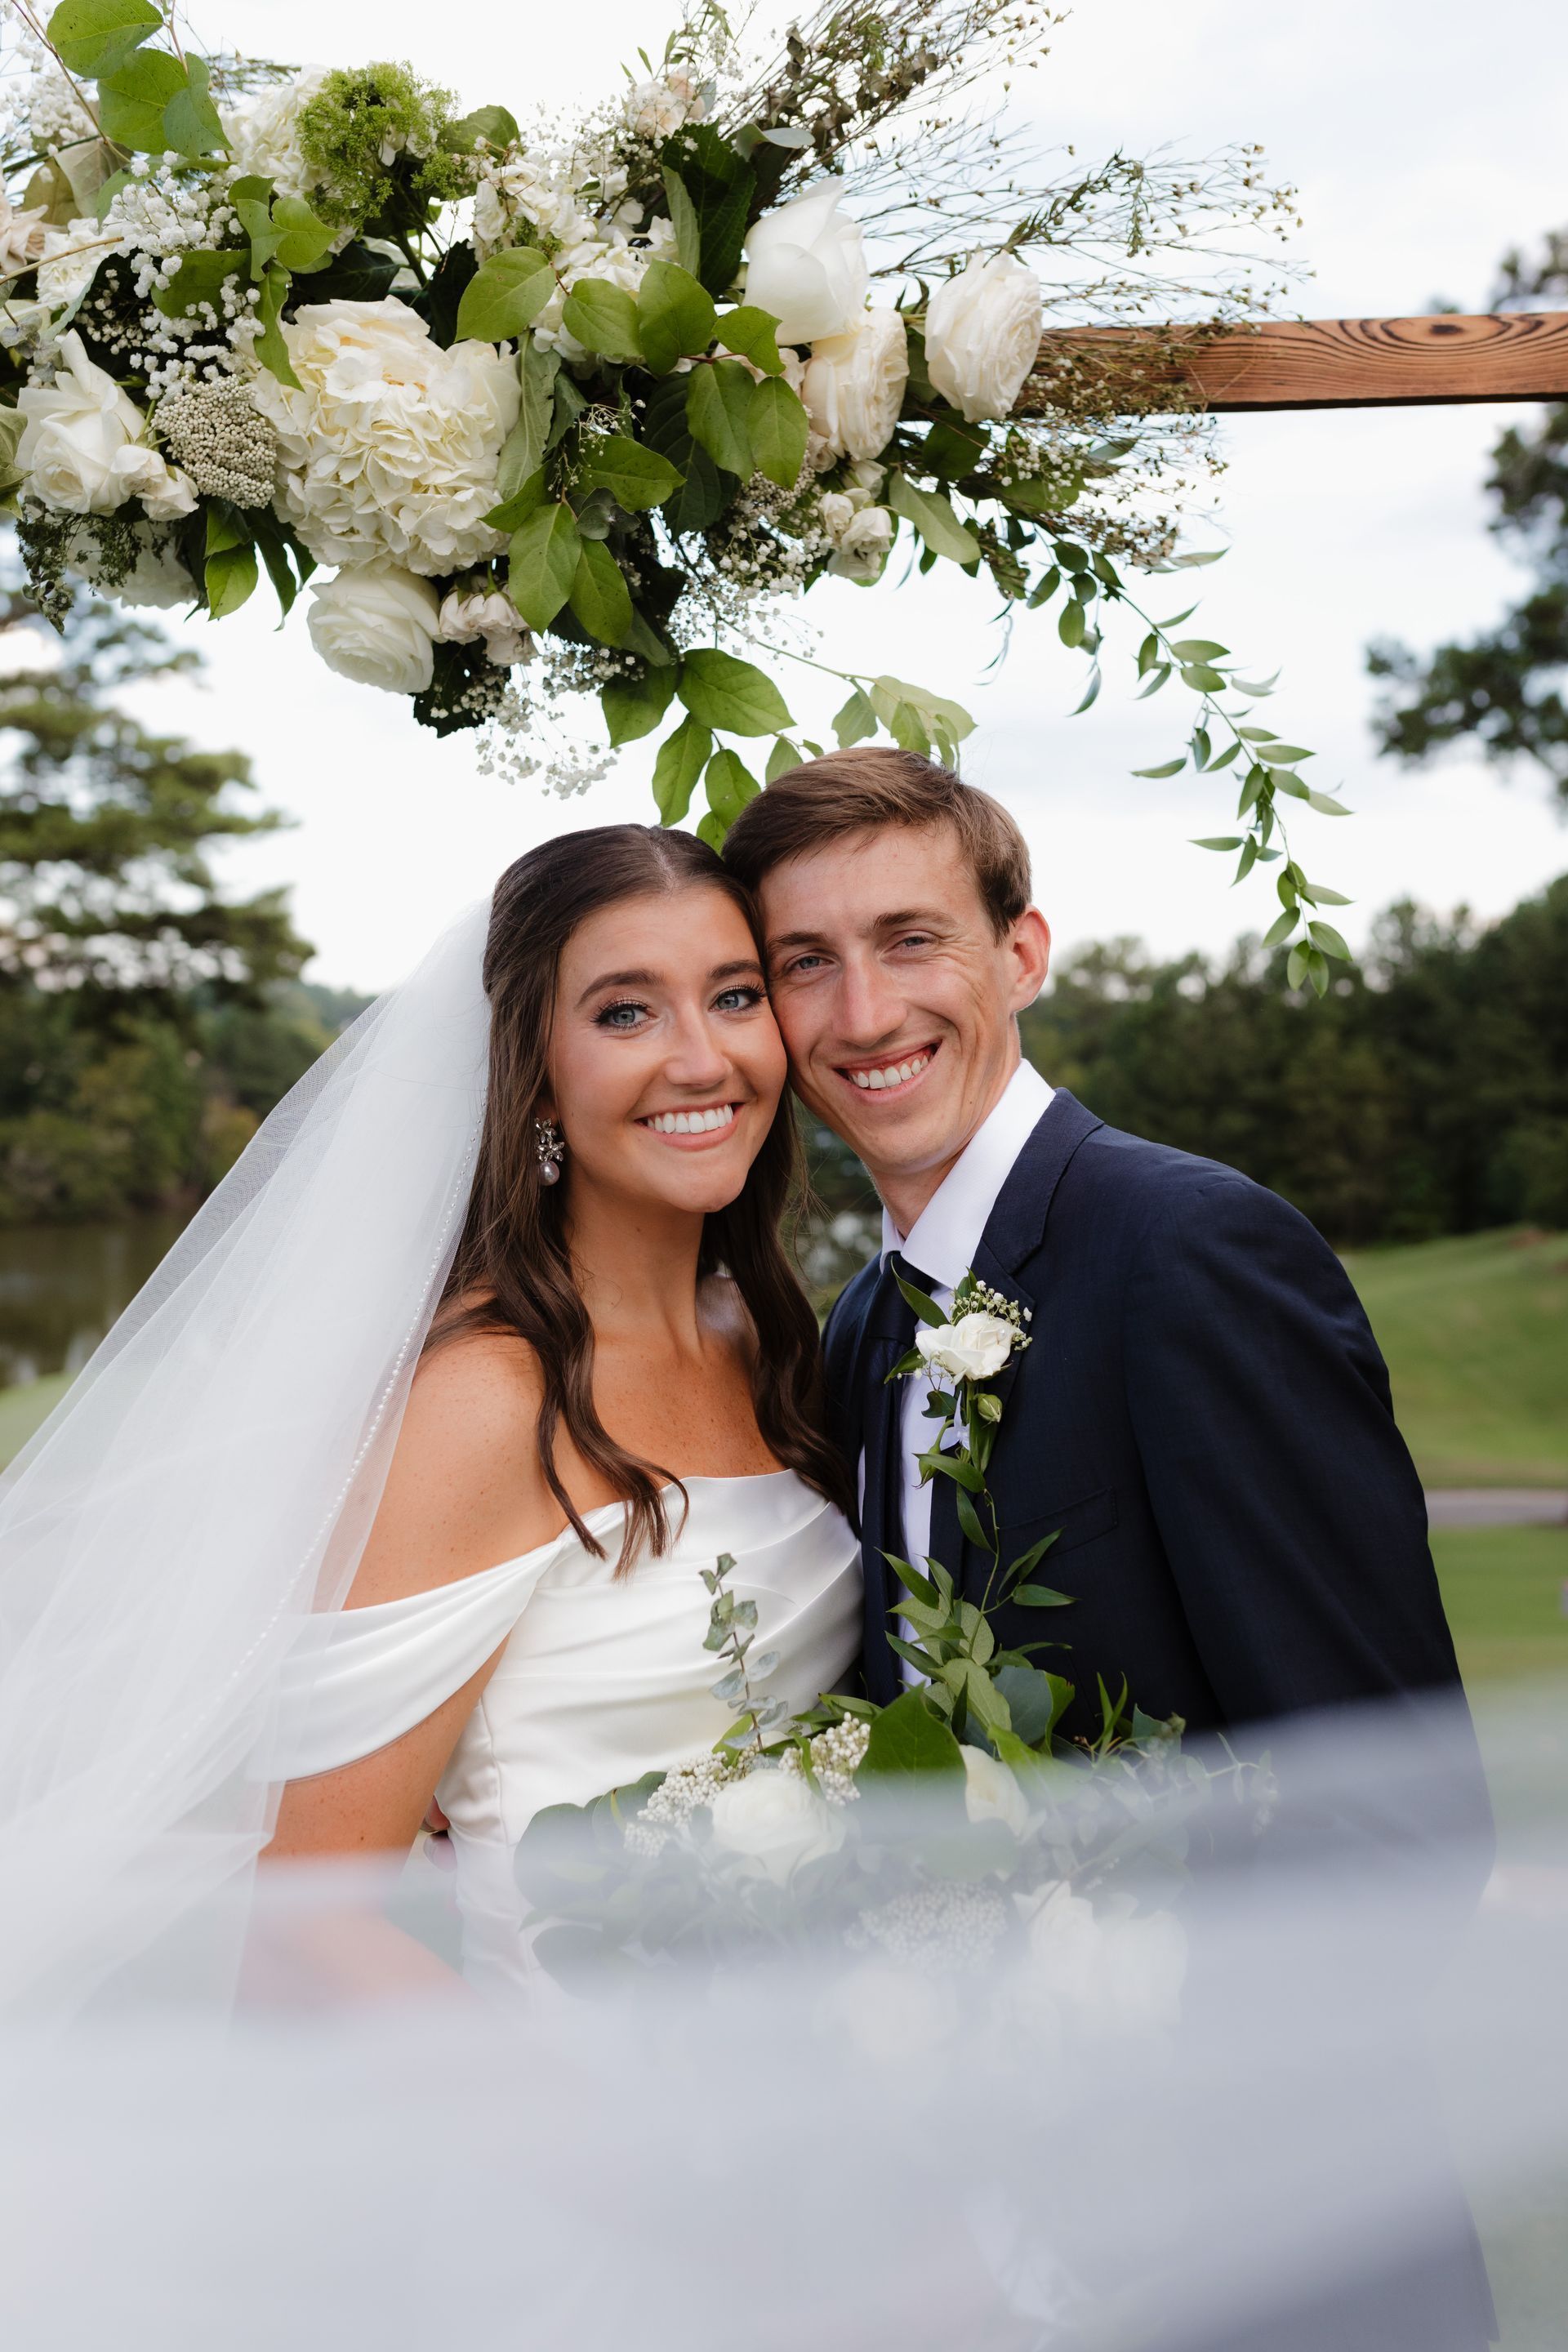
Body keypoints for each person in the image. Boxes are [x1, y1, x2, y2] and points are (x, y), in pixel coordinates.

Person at [723, 745, 1497, 2352]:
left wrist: (1140, 2203)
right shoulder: (865, 1330)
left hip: (1266, 2251)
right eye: (808, 964)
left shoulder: (1191, 1252)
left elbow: (1394, 1821)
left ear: (1023, 952)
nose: (864, 1015)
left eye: (912, 940)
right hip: (982, 2247)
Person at [0, 825, 857, 2016]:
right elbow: (310, 1925)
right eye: (624, 1012)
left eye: (734, 995)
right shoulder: (485, 1399)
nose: (701, 1057)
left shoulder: (761, 1341)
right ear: (535, 1068)